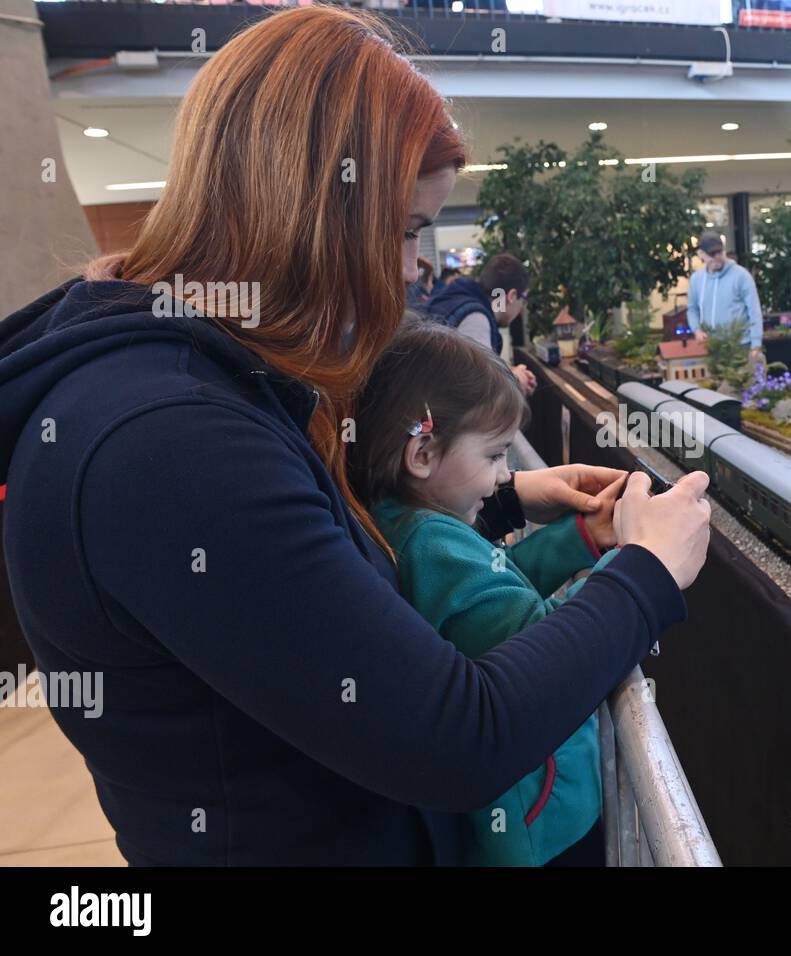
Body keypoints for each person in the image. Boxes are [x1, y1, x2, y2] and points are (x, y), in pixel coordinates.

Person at [0, 6, 711, 867]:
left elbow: (315, 581)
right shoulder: (169, 445)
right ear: (311, 211)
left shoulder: (193, 378)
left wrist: (503, 499)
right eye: (406, 230)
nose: (414, 269)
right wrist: (646, 574)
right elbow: (458, 736)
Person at [350, 323, 618, 866]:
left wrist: (582, 539)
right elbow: (539, 639)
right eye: (495, 455)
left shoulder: (408, 521)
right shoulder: (433, 542)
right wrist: (633, 563)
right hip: (541, 829)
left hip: (533, 813)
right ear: (422, 453)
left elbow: (499, 590)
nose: (504, 478)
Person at [424, 254, 536, 397]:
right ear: (512, 296)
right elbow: (482, 393)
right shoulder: (476, 319)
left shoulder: (458, 298)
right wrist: (517, 380)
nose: (521, 307)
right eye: (524, 298)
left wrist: (509, 372)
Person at [687, 231, 764, 361]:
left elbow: (754, 310)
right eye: (712, 254)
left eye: (720, 252)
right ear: (701, 254)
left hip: (741, 345)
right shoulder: (696, 279)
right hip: (711, 345)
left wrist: (756, 345)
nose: (717, 257)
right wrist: (697, 330)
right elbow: (692, 309)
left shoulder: (742, 276)